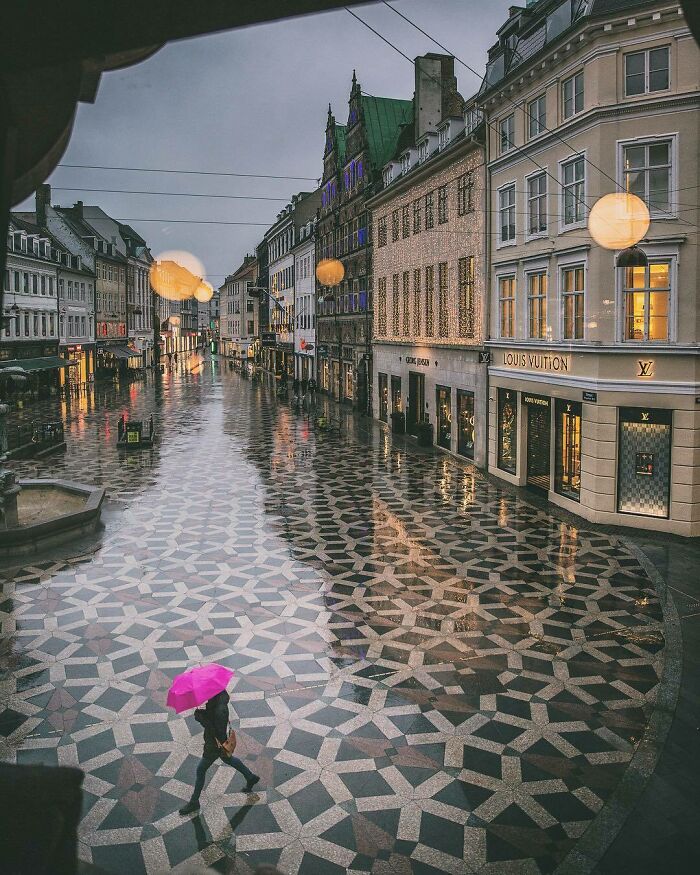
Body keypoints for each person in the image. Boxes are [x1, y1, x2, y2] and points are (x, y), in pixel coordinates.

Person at [179, 690, 259, 815]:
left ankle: (194, 802)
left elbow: (217, 730)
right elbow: (213, 718)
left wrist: (201, 718)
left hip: (214, 745)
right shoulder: (217, 699)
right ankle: (250, 777)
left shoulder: (219, 708)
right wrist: (202, 713)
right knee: (228, 759)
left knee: (200, 770)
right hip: (217, 743)